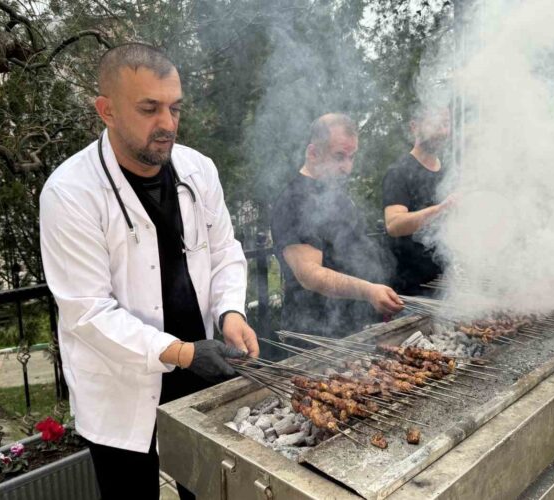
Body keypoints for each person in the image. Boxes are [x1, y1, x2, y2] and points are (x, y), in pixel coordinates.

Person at [39, 43, 259, 500]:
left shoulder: (199, 170)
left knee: (209, 491)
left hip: (199, 370)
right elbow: (88, 312)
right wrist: (179, 352)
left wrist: (231, 313)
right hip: (121, 389)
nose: (167, 124)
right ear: (107, 110)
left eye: (175, 108)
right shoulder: (70, 192)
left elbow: (225, 252)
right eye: (149, 108)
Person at [270, 113, 404, 338]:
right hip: (316, 334)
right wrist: (368, 291)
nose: (347, 167)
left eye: (352, 157)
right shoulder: (294, 201)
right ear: (313, 153)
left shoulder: (335, 193)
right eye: (339, 157)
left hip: (354, 327)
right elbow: (310, 274)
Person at [383, 107, 456, 295]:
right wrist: (441, 209)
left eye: (446, 124)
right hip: (411, 290)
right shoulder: (399, 172)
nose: (442, 131)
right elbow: (394, 224)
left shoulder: (449, 171)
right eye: (435, 124)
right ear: (415, 127)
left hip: (446, 284)